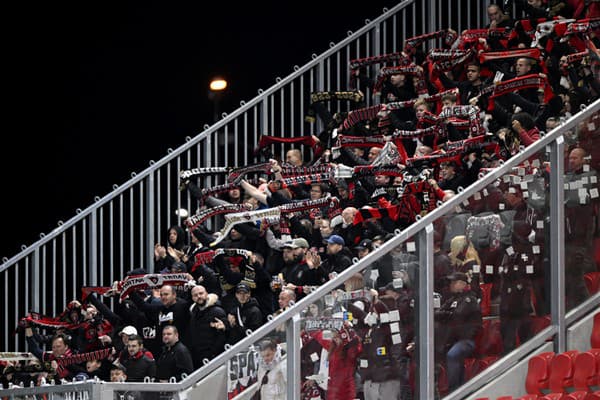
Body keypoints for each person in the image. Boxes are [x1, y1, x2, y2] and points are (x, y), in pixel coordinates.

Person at [434, 272, 482, 392]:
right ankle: (457, 388)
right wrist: (447, 314)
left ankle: (454, 390)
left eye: (454, 282)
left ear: (462, 284)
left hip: (467, 340)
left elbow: (457, 315)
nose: (451, 284)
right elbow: (436, 314)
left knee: (453, 355)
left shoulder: (470, 299)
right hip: (452, 339)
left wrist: (447, 314)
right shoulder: (452, 299)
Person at [309, 322, 363, 400]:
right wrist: (315, 327)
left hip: (346, 393)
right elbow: (321, 336)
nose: (335, 340)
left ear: (344, 337)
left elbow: (357, 344)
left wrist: (348, 329)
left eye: (337, 338)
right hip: (332, 392)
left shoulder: (350, 352)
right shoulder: (333, 347)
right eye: (334, 337)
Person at [188, 285, 228, 369]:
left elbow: (224, 335)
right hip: (198, 357)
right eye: (195, 295)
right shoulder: (193, 314)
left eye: (201, 293)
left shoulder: (217, 311)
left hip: (215, 358)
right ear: (192, 298)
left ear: (206, 293)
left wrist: (213, 354)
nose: (199, 296)